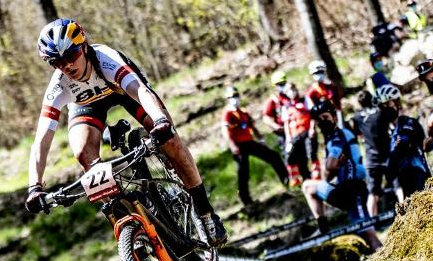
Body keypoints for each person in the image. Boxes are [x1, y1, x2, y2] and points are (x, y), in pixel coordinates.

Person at [23, 19, 226, 245]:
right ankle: (127, 222)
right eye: (57, 62)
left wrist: (160, 122)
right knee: (83, 155)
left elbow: (139, 91)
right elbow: (41, 140)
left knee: (170, 140)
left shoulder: (105, 59)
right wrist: (35, 186)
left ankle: (205, 212)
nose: (66, 66)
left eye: (71, 56)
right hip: (87, 105)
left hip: (125, 91)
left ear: (84, 47)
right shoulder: (59, 86)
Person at [301, 100, 382, 250]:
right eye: (318, 120)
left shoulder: (337, 135)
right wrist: (333, 167)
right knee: (308, 187)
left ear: (334, 116)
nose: (322, 122)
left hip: (354, 188)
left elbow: (330, 166)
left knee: (368, 233)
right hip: (343, 189)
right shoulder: (333, 136)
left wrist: (332, 166)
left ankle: (386, 259)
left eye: (325, 117)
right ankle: (323, 229)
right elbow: (328, 174)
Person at [222, 86, 288, 207]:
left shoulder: (243, 112)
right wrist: (232, 146)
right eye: (231, 97)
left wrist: (261, 139)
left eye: (236, 96)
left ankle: (287, 181)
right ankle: (246, 200)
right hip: (238, 146)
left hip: (249, 142)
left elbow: (252, 126)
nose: (234, 99)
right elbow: (225, 131)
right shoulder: (228, 113)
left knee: (274, 156)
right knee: (243, 172)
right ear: (227, 98)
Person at [377, 84, 431, 200]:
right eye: (383, 106)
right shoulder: (386, 133)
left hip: (418, 175)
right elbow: (388, 168)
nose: (386, 108)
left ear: (397, 103)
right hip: (403, 181)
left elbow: (405, 143)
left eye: (388, 104)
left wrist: (397, 149)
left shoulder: (408, 122)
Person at [350, 88, 394, 215]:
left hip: (371, 158)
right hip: (387, 155)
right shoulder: (381, 112)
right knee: (398, 186)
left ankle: (372, 223)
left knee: (372, 193)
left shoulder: (357, 118)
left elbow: (357, 134)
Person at [279, 82, 314, 187]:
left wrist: (312, 128)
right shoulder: (286, 107)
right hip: (294, 135)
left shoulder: (304, 100)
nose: (291, 92)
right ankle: (300, 179)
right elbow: (286, 124)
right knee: (294, 157)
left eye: (292, 89)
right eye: (288, 90)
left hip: (307, 132)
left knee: (310, 154)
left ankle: (315, 176)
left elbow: (312, 114)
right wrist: (288, 139)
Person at [261, 69, 290, 151]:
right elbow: (266, 118)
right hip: (283, 133)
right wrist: (276, 126)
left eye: (283, 83)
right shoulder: (273, 100)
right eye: (279, 84)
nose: (281, 86)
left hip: (295, 130)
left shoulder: (290, 96)